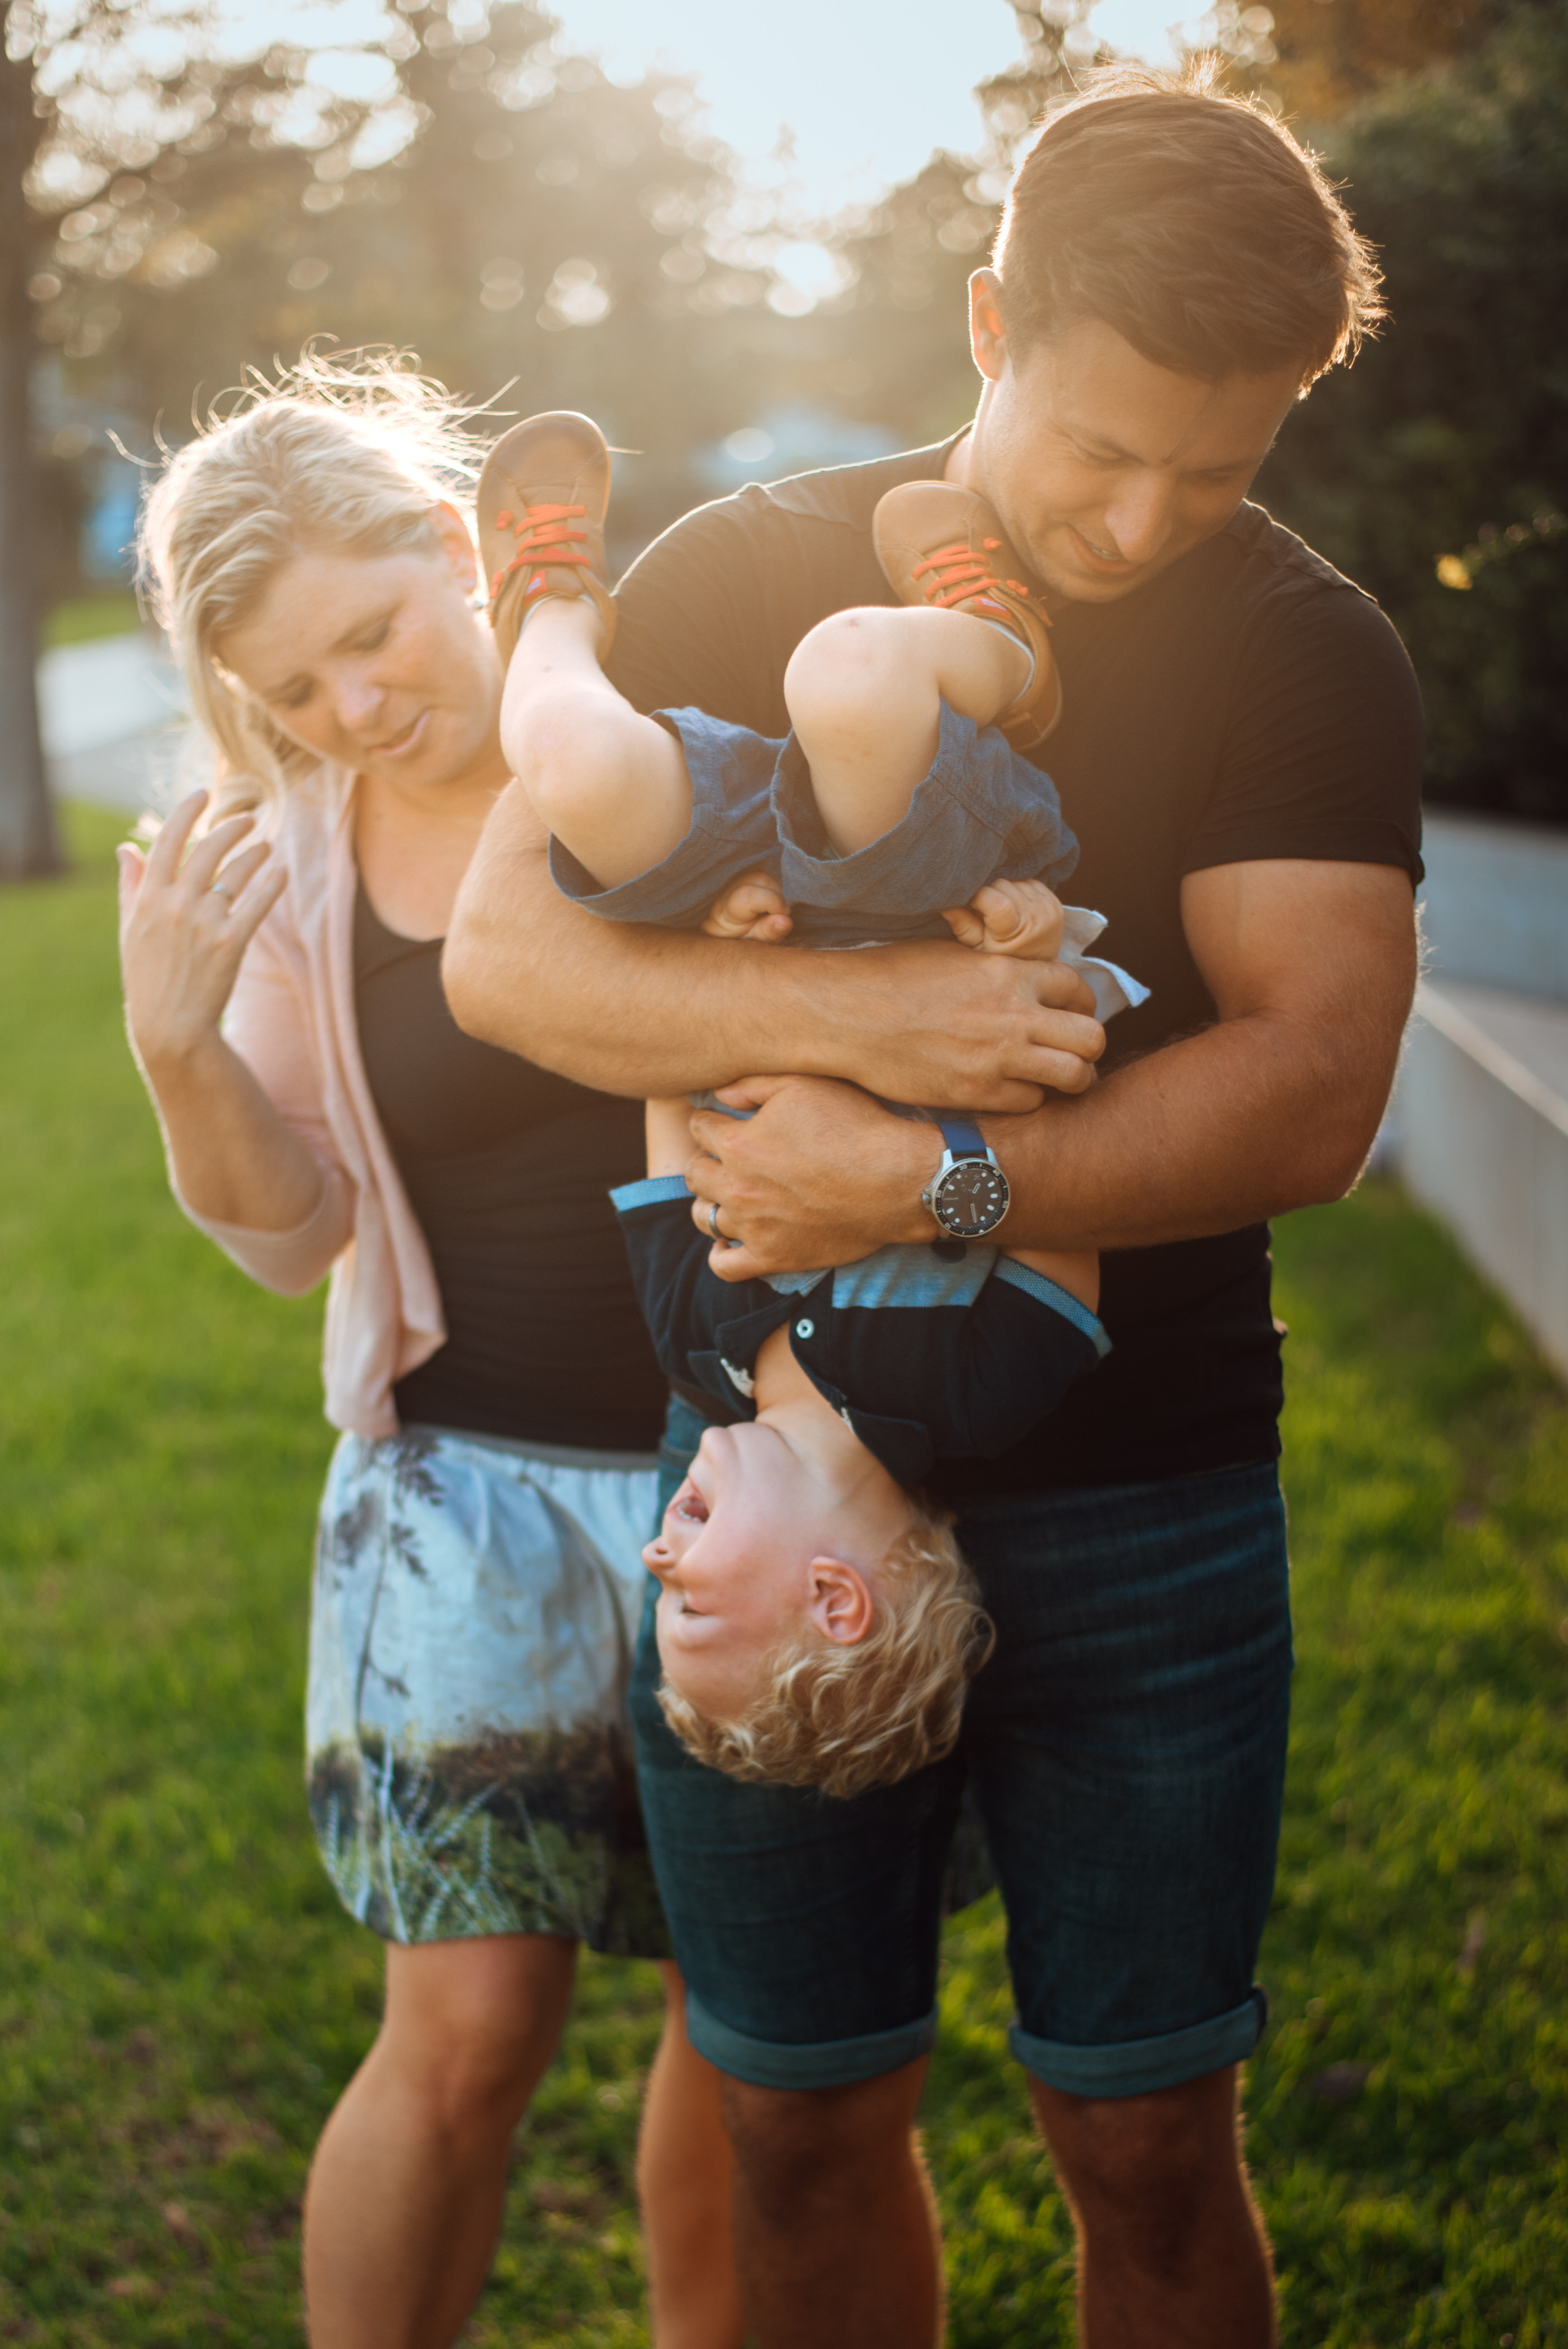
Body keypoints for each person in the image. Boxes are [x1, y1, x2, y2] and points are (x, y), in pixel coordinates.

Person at [446, 64, 1423, 2349]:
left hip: (1149, 1492)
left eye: (1225, 457)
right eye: (1106, 444)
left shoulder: (1308, 644)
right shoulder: (751, 567)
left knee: (1152, 2134)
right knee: (792, 2109)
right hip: (763, 1485)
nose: (1153, 510)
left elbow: (1313, 1088)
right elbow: (508, 957)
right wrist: (902, 1046)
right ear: (992, 323)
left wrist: (938, 1174)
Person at [116, 358, 741, 2349]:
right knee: (464, 2029)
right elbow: (295, 1231)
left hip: (729, 1471)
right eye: (300, 688)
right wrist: (176, 1044)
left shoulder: (639, 737)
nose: (358, 708)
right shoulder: (293, 848)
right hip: (457, 1494)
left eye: (376, 634)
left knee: (738, 2029)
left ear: (461, 541)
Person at [480, 423, 1135, 1791]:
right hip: (917, 882)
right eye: (691, 1599)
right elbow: (1071, 1150)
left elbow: (661, 1065)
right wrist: (1025, 947)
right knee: (849, 666)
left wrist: (713, 948)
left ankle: (543, 608)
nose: (654, 1555)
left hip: (743, 915)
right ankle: (995, 632)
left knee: (577, 765)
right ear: (836, 1598)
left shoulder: (691, 1344)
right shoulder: (989, 1388)